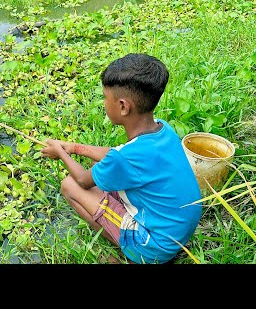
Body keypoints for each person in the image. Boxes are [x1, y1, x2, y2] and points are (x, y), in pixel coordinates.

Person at [41, 53, 202, 264]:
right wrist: (74, 148)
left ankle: (129, 250)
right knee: (99, 165)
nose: (104, 103)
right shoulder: (164, 129)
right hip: (178, 228)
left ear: (123, 107)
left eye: (105, 98)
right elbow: (117, 156)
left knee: (69, 186)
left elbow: (81, 180)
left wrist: (60, 153)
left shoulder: (124, 159)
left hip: (156, 245)